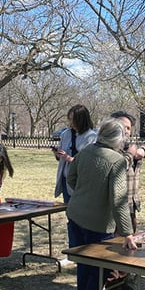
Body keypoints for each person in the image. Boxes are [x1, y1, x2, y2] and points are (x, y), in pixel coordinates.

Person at [66, 117, 138, 290]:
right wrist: (127, 233)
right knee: (100, 271)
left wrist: (85, 191)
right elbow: (119, 200)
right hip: (98, 225)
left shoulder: (85, 152)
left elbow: (71, 178)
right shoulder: (116, 161)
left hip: (76, 216)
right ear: (117, 139)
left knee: (83, 266)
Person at [104, 110, 145, 290]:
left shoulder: (130, 146)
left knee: (129, 247)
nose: (126, 132)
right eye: (123, 127)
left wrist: (142, 151)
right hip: (116, 206)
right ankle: (113, 288)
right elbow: (117, 167)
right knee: (115, 247)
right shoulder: (109, 149)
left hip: (132, 203)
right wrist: (130, 154)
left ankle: (124, 282)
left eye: (129, 129)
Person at [53, 104, 98, 248]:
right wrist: (58, 154)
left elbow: (88, 162)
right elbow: (62, 155)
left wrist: (69, 158)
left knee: (82, 217)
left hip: (81, 183)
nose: (71, 123)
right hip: (67, 180)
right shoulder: (65, 134)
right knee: (71, 216)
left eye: (73, 120)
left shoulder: (91, 137)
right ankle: (74, 248)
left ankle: (85, 247)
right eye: (69, 119)